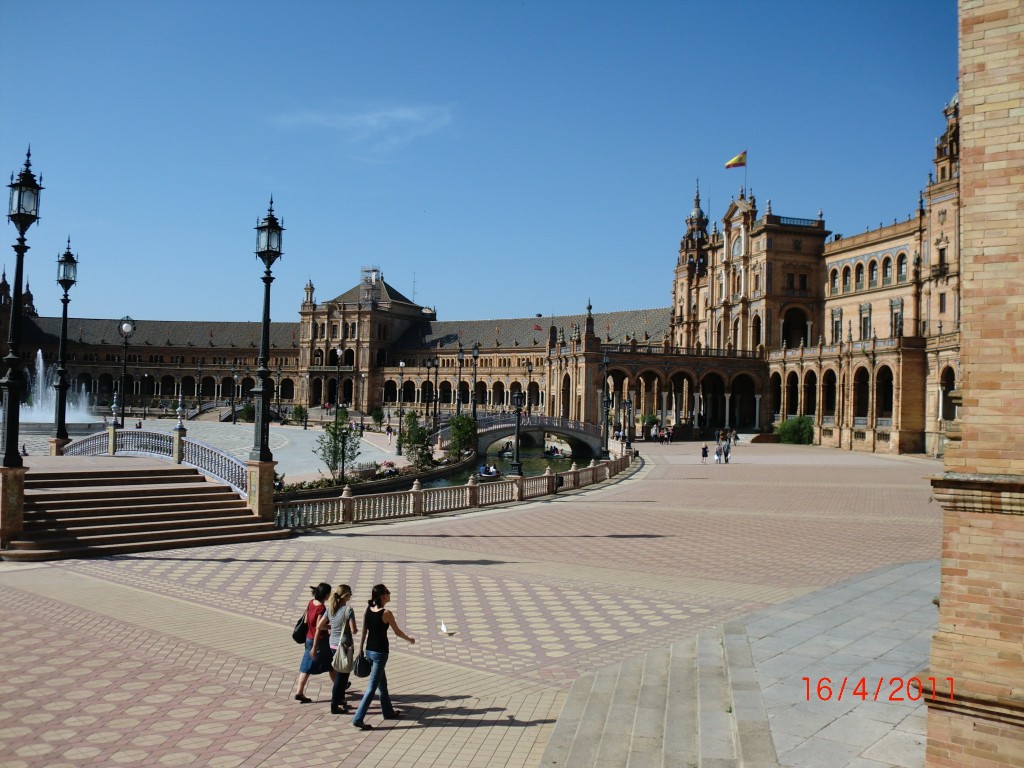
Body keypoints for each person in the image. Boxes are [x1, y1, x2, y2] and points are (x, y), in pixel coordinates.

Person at [352, 583, 416, 730]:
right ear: (382, 596)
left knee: (382, 684)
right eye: (387, 592)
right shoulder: (386, 613)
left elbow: (364, 632)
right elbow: (397, 632)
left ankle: (388, 712)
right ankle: (358, 718)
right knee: (372, 687)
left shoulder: (367, 610)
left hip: (369, 651)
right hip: (380, 653)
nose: (389, 594)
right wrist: (409, 639)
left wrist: (361, 649)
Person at [293, 582, 335, 703]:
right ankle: (339, 686)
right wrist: (332, 627)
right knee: (331, 664)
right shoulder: (321, 608)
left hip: (308, 638)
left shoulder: (311, 602)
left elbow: (306, 620)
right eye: (329, 593)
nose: (330, 595)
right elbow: (319, 627)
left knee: (306, 667)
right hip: (320, 641)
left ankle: (299, 692)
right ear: (326, 595)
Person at [327, 584, 358, 715]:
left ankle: (340, 699)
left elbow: (320, 625)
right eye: (350, 593)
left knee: (342, 675)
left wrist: (334, 628)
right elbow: (354, 630)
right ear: (346, 595)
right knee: (341, 677)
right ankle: (334, 705)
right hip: (344, 646)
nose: (351, 596)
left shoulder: (330, 609)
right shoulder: (348, 610)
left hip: (333, 644)